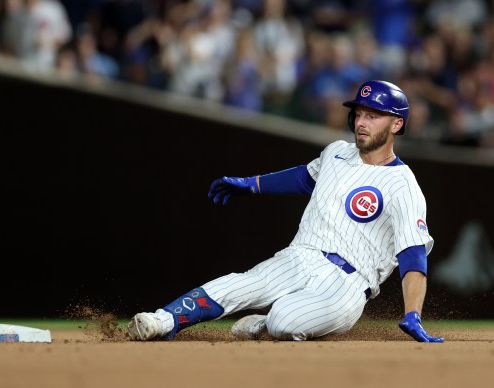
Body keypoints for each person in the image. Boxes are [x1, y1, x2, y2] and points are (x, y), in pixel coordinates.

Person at [127, 80, 444, 343]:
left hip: (347, 283)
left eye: (373, 116)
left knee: (283, 321)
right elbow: (304, 179)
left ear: (396, 124)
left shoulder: (404, 186)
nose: (361, 122)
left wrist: (412, 313)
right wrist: (250, 184)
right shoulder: (336, 152)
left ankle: (266, 323)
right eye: (359, 113)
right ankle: (162, 320)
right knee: (243, 284)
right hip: (299, 255)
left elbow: (413, 254)